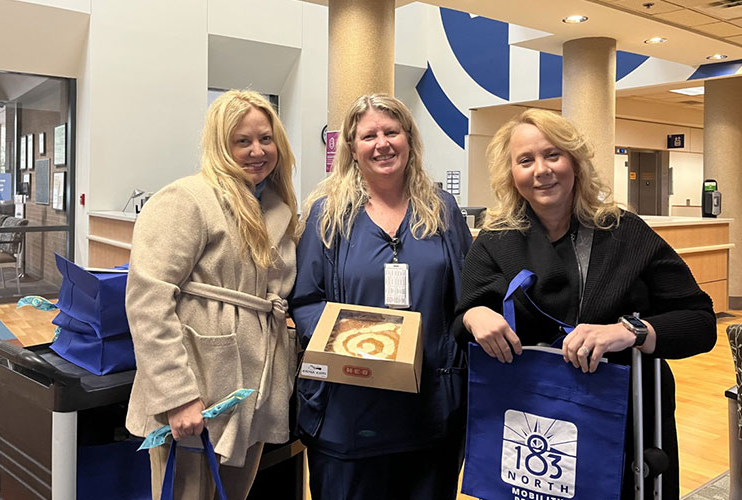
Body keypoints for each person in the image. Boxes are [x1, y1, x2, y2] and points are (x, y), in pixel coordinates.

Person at [453, 108, 716, 499]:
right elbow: (462, 320)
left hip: (620, 424)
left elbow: (699, 322)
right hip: (529, 422)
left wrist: (629, 331)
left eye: (553, 155)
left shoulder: (625, 233)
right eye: (525, 160)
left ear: (575, 162)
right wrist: (475, 315)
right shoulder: (496, 239)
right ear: (511, 174)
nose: (541, 170)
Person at [291, 93, 473, 500]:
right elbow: (305, 300)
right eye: (368, 135)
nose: (382, 143)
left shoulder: (442, 210)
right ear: (352, 149)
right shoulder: (327, 214)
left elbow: (466, 298)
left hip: (429, 410)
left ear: (409, 139)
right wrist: (356, 343)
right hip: (348, 410)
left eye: (392, 132)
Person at [124, 90, 299, 500]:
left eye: (265, 139)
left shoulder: (277, 207)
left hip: (254, 389)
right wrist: (177, 396)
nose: (257, 151)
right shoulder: (186, 199)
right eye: (242, 141)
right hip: (197, 387)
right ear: (221, 145)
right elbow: (148, 300)